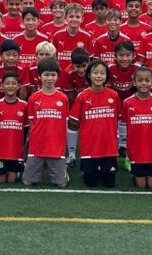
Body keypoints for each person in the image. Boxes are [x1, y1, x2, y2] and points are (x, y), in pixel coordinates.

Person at [69, 59, 120, 188]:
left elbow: (118, 118)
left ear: (107, 76)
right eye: (95, 72)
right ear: (89, 75)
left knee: (109, 184)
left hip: (109, 147)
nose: (98, 76)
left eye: (102, 73)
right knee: (91, 183)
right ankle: (90, 171)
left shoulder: (113, 95)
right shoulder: (82, 96)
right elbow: (74, 122)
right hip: (90, 147)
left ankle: (103, 170)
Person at [23, 57, 70, 188]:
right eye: (46, 75)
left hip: (56, 146)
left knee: (61, 184)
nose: (50, 78)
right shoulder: (33, 98)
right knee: (27, 182)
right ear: (39, 76)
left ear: (58, 76)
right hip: (37, 145)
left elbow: (64, 123)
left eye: (53, 75)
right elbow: (32, 123)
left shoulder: (63, 98)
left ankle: (63, 172)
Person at [121, 66, 152, 190]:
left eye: (147, 80)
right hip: (136, 151)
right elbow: (125, 126)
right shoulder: (127, 103)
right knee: (141, 186)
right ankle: (134, 176)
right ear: (134, 82)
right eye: (140, 80)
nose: (144, 83)